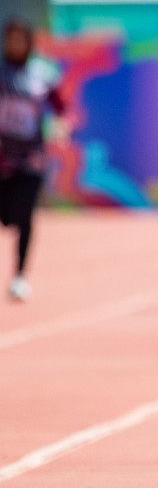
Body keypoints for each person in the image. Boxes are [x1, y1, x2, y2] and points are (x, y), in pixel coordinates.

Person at [0, 17, 65, 302]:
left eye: (20, 39)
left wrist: (61, 129)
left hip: (30, 158)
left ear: (29, 42)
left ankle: (19, 276)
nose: (15, 44)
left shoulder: (42, 74)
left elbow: (61, 107)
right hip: (2, 158)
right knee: (7, 218)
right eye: (10, 39)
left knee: (25, 216)